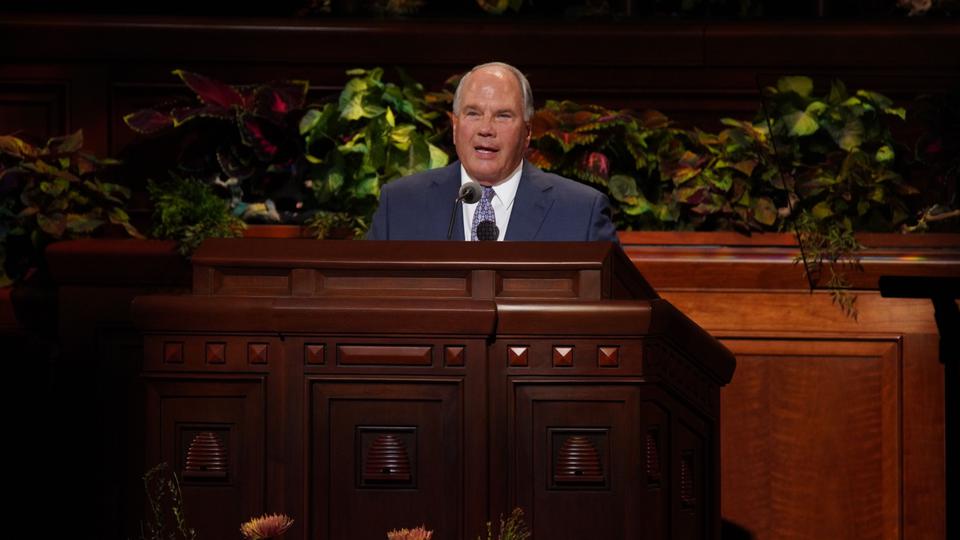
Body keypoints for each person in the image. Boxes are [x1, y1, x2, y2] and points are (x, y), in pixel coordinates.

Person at [366, 61, 617, 242]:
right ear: (455, 126)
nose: (486, 129)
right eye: (473, 114)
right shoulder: (400, 205)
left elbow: (616, 300)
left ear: (527, 132)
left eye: (503, 116)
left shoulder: (581, 212)